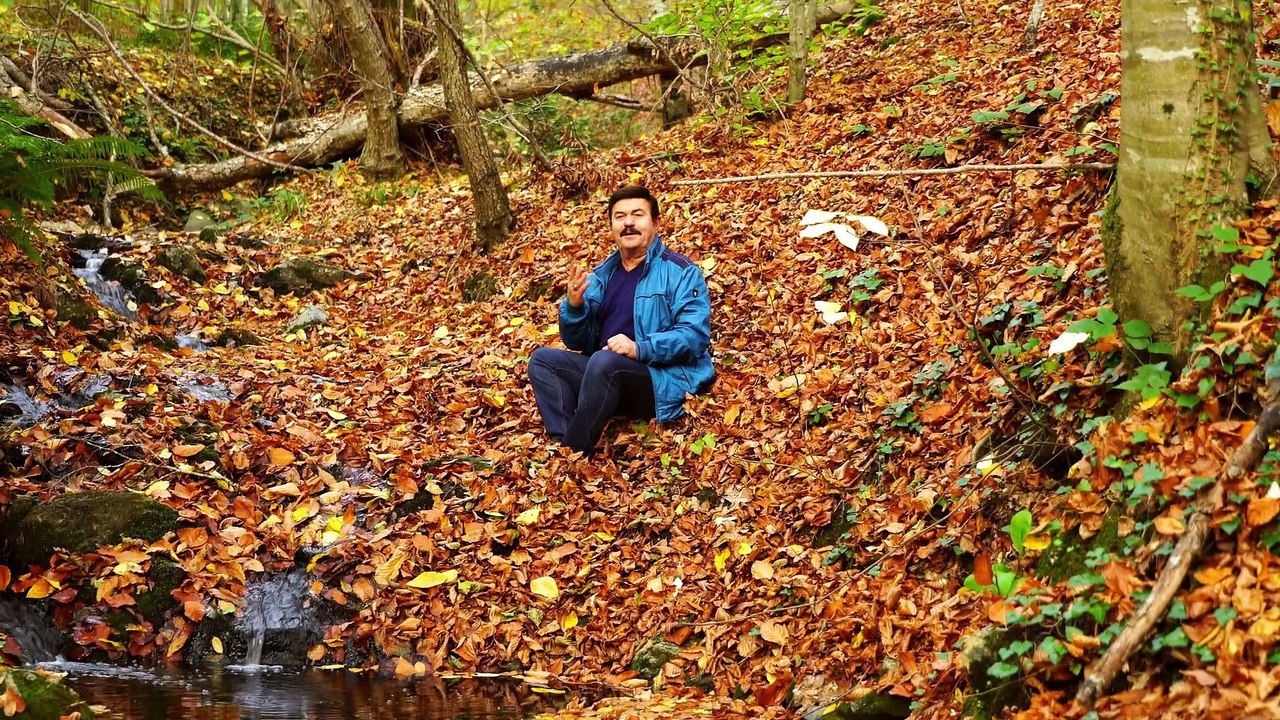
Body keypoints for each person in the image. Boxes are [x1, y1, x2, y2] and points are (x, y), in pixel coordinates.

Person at [528, 186, 714, 454]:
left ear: (656, 223)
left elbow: (694, 337)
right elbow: (575, 342)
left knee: (605, 362)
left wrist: (639, 348)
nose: (628, 223)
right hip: (604, 378)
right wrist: (575, 308)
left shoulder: (681, 272)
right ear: (612, 226)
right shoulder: (602, 275)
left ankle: (573, 453)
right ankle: (563, 444)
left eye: (637, 215)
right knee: (543, 360)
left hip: (659, 379)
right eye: (620, 216)